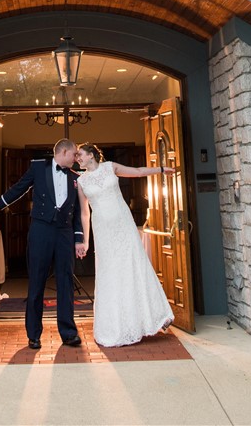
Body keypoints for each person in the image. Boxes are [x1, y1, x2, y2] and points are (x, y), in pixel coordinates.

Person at [0, 138, 86, 350]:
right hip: (41, 231)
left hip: (65, 233)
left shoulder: (76, 178)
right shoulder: (38, 167)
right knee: (37, 282)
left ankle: (69, 333)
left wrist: (79, 239)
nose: (76, 158)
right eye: (74, 154)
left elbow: (77, 212)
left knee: (66, 282)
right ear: (64, 152)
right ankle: (33, 335)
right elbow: (20, 187)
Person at [75, 142, 175, 347]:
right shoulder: (81, 181)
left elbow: (137, 172)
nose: (78, 159)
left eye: (80, 155)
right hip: (103, 230)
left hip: (123, 224)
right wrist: (85, 240)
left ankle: (152, 316)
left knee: (133, 266)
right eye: (76, 156)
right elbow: (84, 213)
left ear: (91, 155)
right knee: (110, 272)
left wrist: (161, 169)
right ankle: (116, 326)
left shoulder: (110, 167)